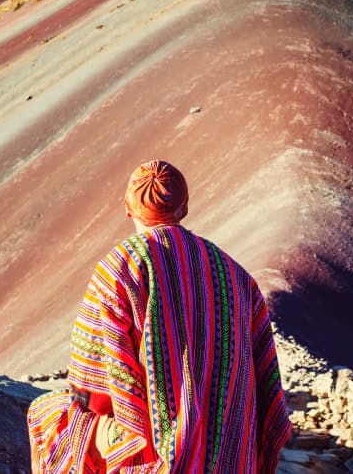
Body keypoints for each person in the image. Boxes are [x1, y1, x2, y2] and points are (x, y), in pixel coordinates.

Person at [27, 160, 291, 474]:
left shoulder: (119, 269)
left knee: (45, 414)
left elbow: (93, 397)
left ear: (127, 208)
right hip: (233, 457)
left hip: (155, 455)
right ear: (186, 206)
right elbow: (267, 391)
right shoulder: (235, 275)